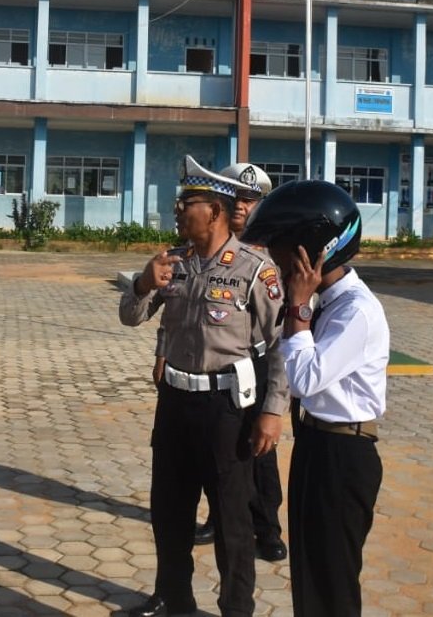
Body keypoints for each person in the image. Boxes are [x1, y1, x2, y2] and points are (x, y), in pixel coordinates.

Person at [120, 156, 287, 617]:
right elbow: (131, 317)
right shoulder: (172, 262)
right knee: (169, 516)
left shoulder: (256, 269)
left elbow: (281, 346)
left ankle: (236, 610)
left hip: (226, 412)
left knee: (233, 527)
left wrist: (273, 412)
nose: (177, 210)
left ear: (214, 209)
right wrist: (141, 284)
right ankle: (177, 605)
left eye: (186, 202)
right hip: (174, 406)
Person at [241, 179, 388, 617]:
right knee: (309, 566)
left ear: (312, 250)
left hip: (344, 455)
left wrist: (298, 308)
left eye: (281, 249)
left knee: (332, 575)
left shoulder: (355, 311)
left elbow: (304, 380)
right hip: (317, 445)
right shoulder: (329, 301)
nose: (274, 259)